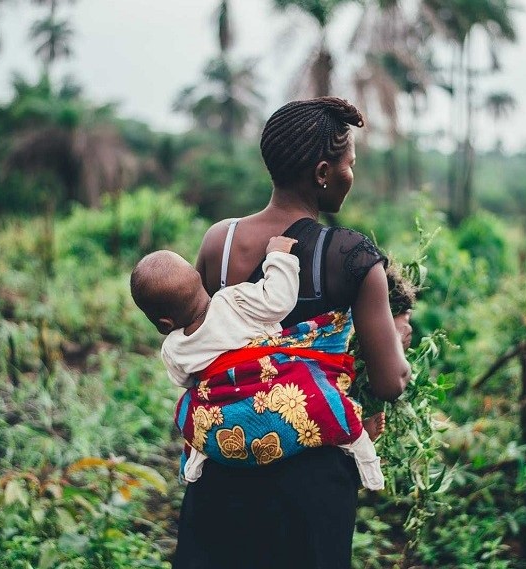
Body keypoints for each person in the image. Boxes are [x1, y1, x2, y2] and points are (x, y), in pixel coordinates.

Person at [172, 97, 412, 569]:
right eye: (349, 165)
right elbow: (390, 383)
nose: (351, 176)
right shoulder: (351, 255)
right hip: (310, 489)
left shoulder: (218, 243)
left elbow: (201, 344)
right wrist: (396, 341)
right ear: (323, 171)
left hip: (224, 468)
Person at [129, 236, 386, 490]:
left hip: (226, 423)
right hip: (273, 395)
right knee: (320, 397)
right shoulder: (233, 300)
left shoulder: (173, 348)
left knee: (188, 409)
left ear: (164, 324)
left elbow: (186, 381)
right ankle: (362, 451)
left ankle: (196, 458)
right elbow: (278, 301)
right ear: (199, 281)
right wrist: (278, 256)